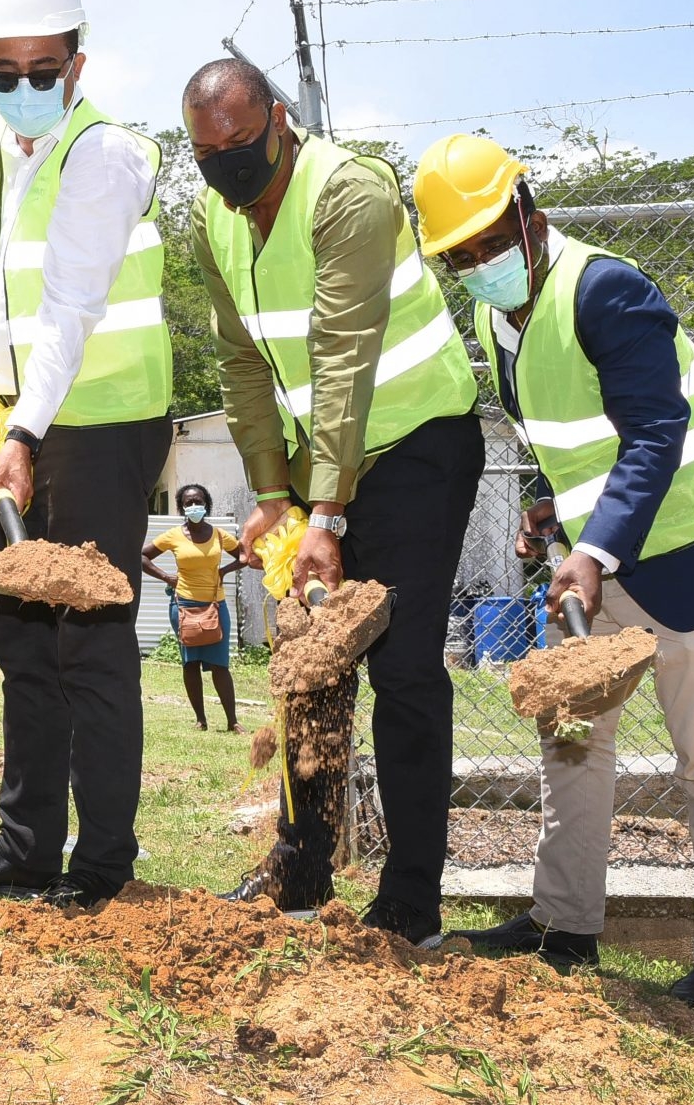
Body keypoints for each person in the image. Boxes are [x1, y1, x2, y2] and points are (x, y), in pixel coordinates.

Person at [415, 135, 694, 1010]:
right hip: (603, 556)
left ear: (529, 217)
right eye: (458, 255)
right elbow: (566, 428)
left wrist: (590, 549)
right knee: (572, 738)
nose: (479, 264)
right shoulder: (490, 316)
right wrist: (554, 504)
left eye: (489, 241)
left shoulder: (606, 288)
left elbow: (657, 429)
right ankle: (565, 923)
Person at [184, 57, 483, 947]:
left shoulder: (351, 192)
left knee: (403, 668)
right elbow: (242, 362)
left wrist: (327, 516)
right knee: (308, 662)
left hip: (417, 445)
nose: (227, 163)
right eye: (207, 151)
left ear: (279, 117)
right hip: (322, 467)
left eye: (241, 140)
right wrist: (275, 494)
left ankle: (409, 904)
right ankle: (302, 871)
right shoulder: (214, 218)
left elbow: (344, 355)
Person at [0, 0, 171, 909]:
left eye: (39, 68)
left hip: (98, 420)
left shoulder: (106, 155)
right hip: (18, 421)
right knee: (21, 631)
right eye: (1, 70)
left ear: (76, 62)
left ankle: (102, 863)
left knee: (90, 640)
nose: (20, 88)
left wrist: (21, 430)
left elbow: (68, 307)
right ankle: (26, 845)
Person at [142, 483, 240, 732]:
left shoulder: (219, 535)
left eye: (198, 501)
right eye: (188, 503)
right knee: (190, 663)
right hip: (184, 605)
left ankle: (233, 721)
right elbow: (142, 556)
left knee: (220, 664)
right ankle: (201, 719)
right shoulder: (173, 535)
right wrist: (167, 578)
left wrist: (224, 571)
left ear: (206, 504)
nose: (194, 506)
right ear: (182, 507)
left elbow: (245, 555)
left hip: (215, 605)